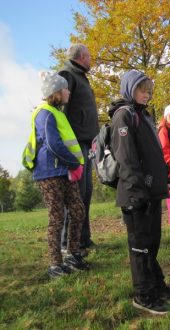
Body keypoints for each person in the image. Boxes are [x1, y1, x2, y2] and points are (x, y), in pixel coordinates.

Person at [109, 70, 170, 315]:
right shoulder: (124, 116)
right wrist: (138, 192)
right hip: (135, 195)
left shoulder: (144, 116)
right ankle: (143, 295)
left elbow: (155, 155)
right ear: (130, 89)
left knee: (152, 243)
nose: (147, 94)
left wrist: (166, 180)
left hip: (152, 192)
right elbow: (126, 160)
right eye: (142, 89)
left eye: (149, 90)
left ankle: (155, 285)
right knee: (140, 247)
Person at [22, 72, 90, 279]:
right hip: (49, 172)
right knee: (57, 217)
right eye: (65, 88)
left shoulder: (56, 112)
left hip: (64, 170)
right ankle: (55, 265)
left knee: (78, 210)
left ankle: (73, 254)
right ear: (56, 93)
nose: (69, 91)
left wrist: (72, 165)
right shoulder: (44, 113)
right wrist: (74, 163)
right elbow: (53, 144)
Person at [59, 44, 99, 252]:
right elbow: (61, 109)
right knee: (76, 194)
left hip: (87, 142)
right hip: (75, 143)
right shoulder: (67, 74)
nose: (91, 59)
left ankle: (84, 238)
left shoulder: (81, 75)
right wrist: (66, 146)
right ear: (82, 56)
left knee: (87, 192)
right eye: (89, 55)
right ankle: (67, 242)